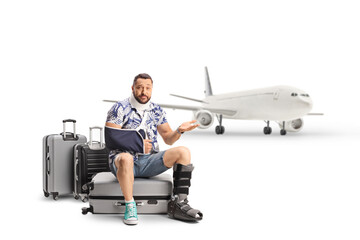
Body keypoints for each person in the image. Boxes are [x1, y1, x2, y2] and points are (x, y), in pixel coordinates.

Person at [105, 73, 203, 225]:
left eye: (147, 88)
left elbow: (168, 139)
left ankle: (179, 203)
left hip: (148, 161)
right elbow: (111, 138)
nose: (143, 92)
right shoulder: (119, 108)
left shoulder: (156, 110)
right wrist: (138, 144)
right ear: (132, 88)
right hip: (122, 162)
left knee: (183, 152)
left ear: (152, 89)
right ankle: (130, 205)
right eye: (139, 88)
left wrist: (179, 130)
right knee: (126, 158)